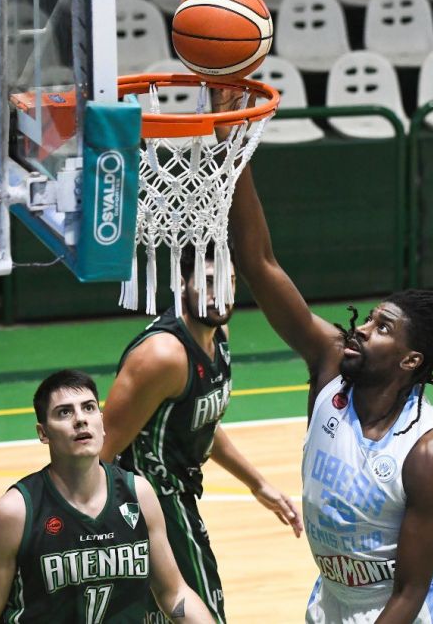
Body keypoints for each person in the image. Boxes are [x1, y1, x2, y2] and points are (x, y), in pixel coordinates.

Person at [230, 164, 433, 623]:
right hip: (333, 599)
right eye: (369, 319)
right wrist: (235, 152)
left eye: (383, 328)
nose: (363, 330)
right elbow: (258, 263)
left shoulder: (428, 451)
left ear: (410, 360)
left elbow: (409, 593)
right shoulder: (331, 368)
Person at [100, 246, 303, 623]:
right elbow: (100, 451)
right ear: (182, 283)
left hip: (176, 496)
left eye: (228, 282)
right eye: (209, 282)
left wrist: (257, 483)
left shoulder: (218, 332)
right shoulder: (163, 356)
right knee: (205, 613)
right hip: (153, 503)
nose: (219, 294)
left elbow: (201, 421)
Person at [0, 369, 213, 624]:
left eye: (89, 408)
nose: (80, 419)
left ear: (102, 423)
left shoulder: (139, 495)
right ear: (43, 433)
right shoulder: (14, 513)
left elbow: (173, 593)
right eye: (64, 412)